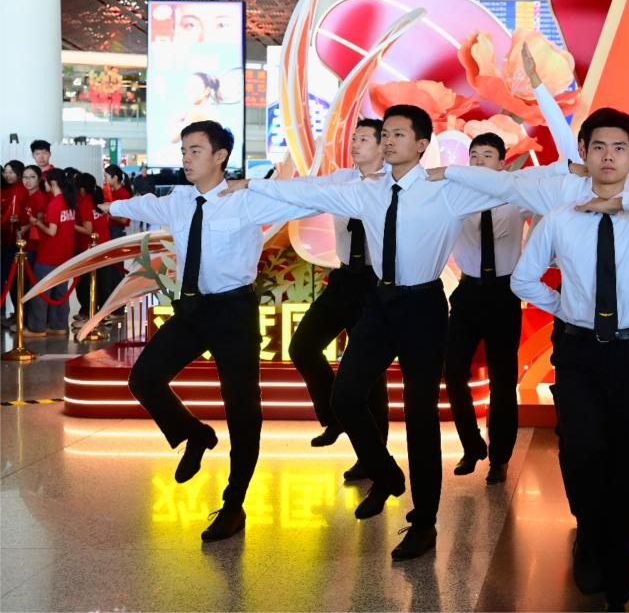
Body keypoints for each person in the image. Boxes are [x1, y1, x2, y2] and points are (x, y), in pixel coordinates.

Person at [240, 105, 510, 561]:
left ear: (422, 145)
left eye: (398, 134)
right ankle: (385, 473)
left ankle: (424, 522)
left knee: (420, 417)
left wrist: (455, 171)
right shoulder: (368, 190)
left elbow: (509, 186)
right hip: (379, 305)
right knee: (346, 397)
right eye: (384, 133)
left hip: (423, 307)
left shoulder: (445, 191)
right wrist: (250, 185)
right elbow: (308, 192)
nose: (387, 140)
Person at [104, 121, 317, 542]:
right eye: (184, 150)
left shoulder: (247, 201)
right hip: (192, 310)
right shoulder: (179, 201)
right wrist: (107, 207)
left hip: (233, 312)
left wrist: (255, 183)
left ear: (220, 157)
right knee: (144, 379)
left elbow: (303, 197)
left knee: (243, 410)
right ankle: (194, 433)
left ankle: (234, 504)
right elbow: (142, 205)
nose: (186, 158)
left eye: (196, 150)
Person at [509, 108, 629, 611]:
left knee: (628, 460)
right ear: (582, 153)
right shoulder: (560, 219)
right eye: (599, 147)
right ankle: (589, 531)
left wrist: (620, 202)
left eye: (619, 148)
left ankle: (621, 570)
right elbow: (523, 279)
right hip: (579, 349)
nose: (608, 157)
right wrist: (565, 306)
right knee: (582, 450)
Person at [283, 118, 389, 484]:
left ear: (383, 145)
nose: (355, 143)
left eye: (364, 139)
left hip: (377, 283)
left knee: (371, 377)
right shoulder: (340, 180)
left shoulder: (395, 185)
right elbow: (303, 190)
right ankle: (336, 416)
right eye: (354, 137)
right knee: (302, 347)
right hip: (343, 279)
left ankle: (372, 458)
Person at [443, 132, 528, 484]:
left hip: (503, 294)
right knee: (452, 372)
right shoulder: (454, 196)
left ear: (502, 163)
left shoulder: (517, 195)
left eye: (487, 156)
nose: (479, 162)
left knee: (503, 381)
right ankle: (471, 444)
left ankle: (500, 457)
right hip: (467, 292)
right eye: (474, 156)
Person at [25, 169, 79, 337]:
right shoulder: (69, 202)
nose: (44, 185)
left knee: (41, 293)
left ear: (52, 183)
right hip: (65, 255)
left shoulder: (55, 203)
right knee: (60, 293)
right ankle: (59, 326)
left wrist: (36, 222)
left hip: (49, 254)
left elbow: (51, 232)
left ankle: (37, 328)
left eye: (45, 182)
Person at [72, 172, 113, 321]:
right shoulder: (98, 198)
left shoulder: (84, 202)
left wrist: (71, 225)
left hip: (89, 248)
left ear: (81, 189)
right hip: (104, 244)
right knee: (102, 282)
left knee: (85, 283)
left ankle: (88, 313)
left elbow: (88, 230)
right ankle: (103, 314)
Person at [2, 161, 27, 329]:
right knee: (9, 280)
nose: (7, 175)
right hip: (6, 240)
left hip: (16, 243)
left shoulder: (22, 191)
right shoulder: (7, 190)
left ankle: (20, 315)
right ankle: (16, 314)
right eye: (6, 172)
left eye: (11, 172)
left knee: (16, 281)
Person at [103, 165, 133, 240]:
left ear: (115, 178)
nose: (105, 180)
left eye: (106, 177)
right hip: (111, 229)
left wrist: (107, 214)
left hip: (117, 231)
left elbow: (124, 220)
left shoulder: (124, 194)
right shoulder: (112, 192)